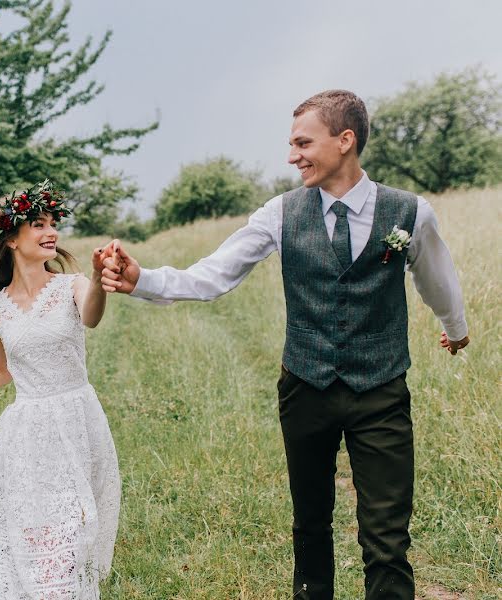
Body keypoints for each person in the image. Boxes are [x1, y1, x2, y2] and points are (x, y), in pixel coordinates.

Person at [99, 90, 470, 600]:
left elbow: (436, 278)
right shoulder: (280, 212)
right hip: (306, 387)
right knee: (310, 525)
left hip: (381, 391)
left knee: (387, 538)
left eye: (302, 142)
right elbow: (214, 276)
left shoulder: (410, 212)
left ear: (345, 141)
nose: (291, 155)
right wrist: (143, 279)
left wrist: (455, 325)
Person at [0, 182, 121, 599]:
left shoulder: (73, 286)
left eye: (52, 224)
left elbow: (92, 317)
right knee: (37, 528)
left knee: (74, 525)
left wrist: (99, 278)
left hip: (76, 418)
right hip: (27, 431)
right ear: (11, 237)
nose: (51, 233)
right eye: (37, 224)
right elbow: (0, 372)